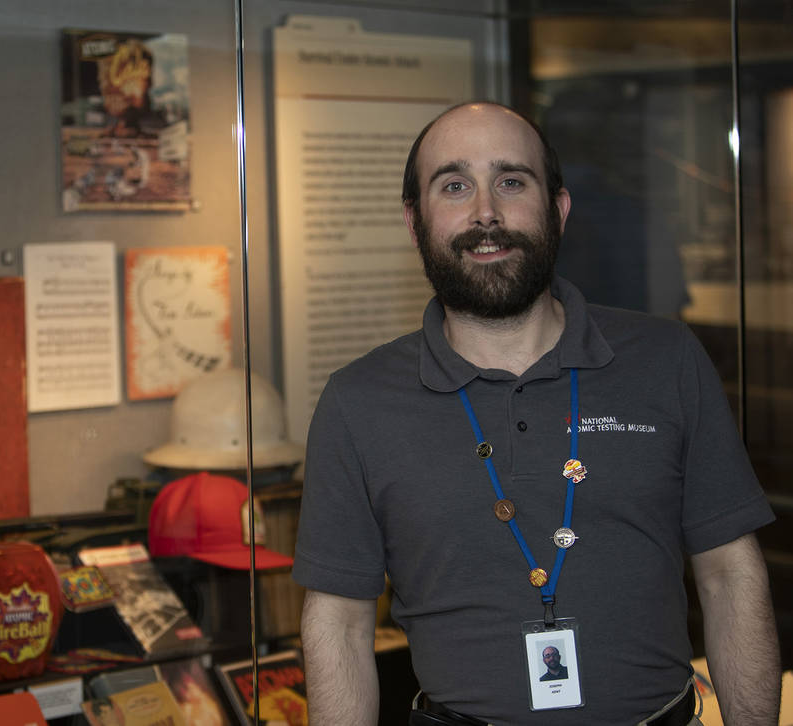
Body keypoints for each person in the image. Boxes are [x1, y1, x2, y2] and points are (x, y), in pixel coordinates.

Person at [292, 101, 779, 726]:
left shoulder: (666, 360)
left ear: (559, 209)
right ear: (415, 223)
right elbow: (339, 621)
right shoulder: (357, 402)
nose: (486, 213)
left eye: (512, 182)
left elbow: (730, 575)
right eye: (455, 185)